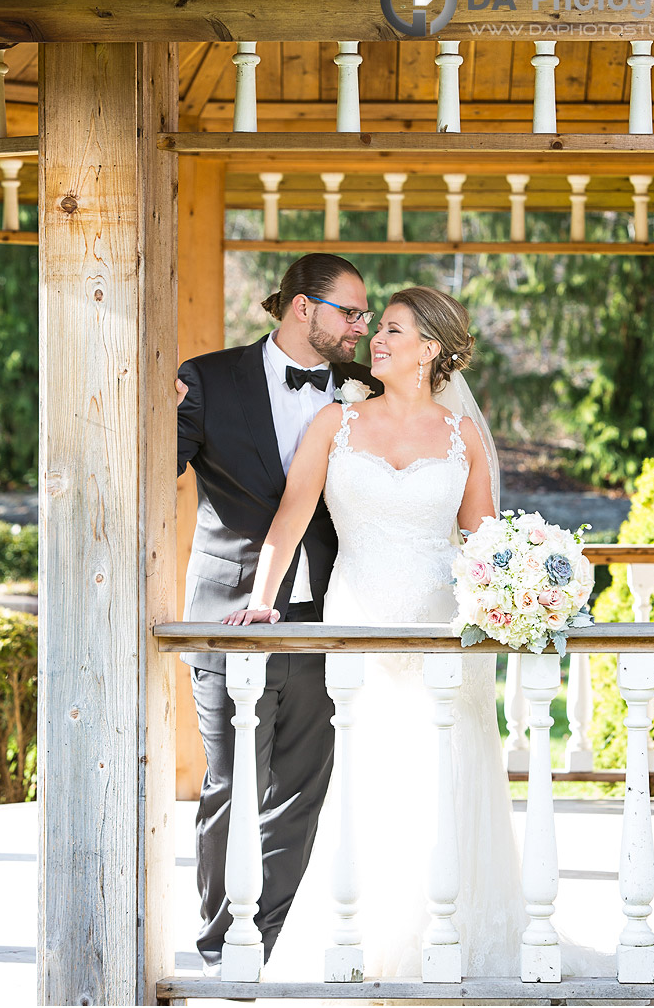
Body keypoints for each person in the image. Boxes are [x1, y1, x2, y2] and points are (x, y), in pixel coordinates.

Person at [225, 285, 611, 982]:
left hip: (445, 629)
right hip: (360, 621)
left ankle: (460, 934)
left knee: (449, 772)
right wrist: (261, 600)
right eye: (379, 329)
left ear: (430, 349)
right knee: (368, 775)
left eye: (395, 330)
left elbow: (483, 538)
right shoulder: (334, 426)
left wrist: (518, 592)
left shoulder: (460, 436)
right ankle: (364, 943)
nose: (377, 338)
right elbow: (288, 519)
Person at [176, 253, 380, 975]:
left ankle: (259, 942)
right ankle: (213, 944)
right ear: (302, 307)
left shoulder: (367, 391)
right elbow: (142, 466)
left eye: (363, 315)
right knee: (231, 782)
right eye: (349, 312)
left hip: (329, 617)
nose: (361, 326)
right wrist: (144, 403)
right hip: (229, 612)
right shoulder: (205, 380)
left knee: (299, 790)